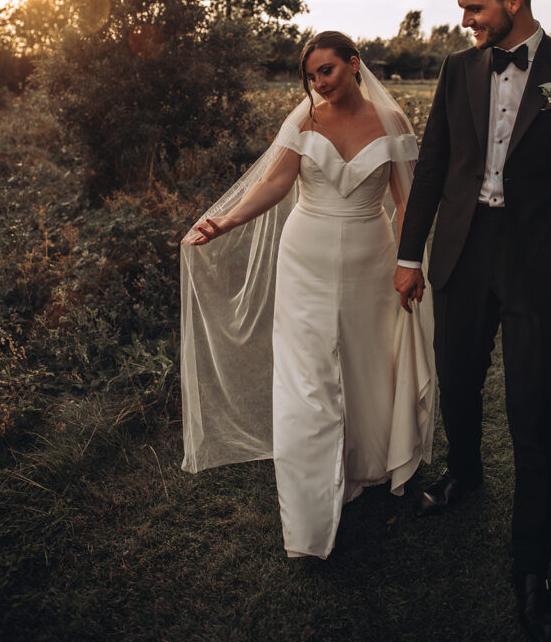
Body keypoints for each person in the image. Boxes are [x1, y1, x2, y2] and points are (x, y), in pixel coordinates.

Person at [394, 0, 551, 642]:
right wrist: (409, 253)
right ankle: (464, 472)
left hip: (539, 266)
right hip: (461, 251)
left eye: (473, 7)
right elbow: (432, 165)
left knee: (533, 414)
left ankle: (531, 569)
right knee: (457, 381)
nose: (463, 20)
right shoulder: (457, 70)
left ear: (511, 1)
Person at [181, 31, 435, 560]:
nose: (320, 83)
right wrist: (226, 220)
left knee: (368, 365)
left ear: (354, 64)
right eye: (312, 76)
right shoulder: (305, 120)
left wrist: (408, 264)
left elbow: (406, 201)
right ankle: (309, 506)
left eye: (328, 71)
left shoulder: (394, 124)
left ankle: (364, 464)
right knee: (308, 374)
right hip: (305, 260)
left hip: (373, 261)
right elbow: (275, 184)